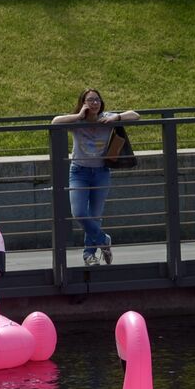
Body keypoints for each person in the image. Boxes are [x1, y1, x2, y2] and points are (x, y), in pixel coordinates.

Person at [52, 89, 140, 266]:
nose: (94, 103)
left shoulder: (107, 118)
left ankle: (89, 255)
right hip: (79, 172)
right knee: (79, 213)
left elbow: (136, 115)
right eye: (90, 100)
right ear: (83, 103)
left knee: (95, 216)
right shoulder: (77, 121)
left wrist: (117, 117)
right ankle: (103, 239)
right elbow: (55, 121)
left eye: (97, 100)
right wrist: (78, 116)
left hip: (101, 172)